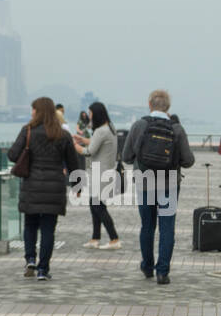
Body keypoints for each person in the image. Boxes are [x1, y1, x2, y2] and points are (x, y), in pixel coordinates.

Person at [122, 89, 195, 285]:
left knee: (147, 225)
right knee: (167, 227)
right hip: (169, 184)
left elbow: (126, 157)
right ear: (168, 107)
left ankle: (147, 266)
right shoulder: (177, 129)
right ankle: (162, 272)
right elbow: (188, 160)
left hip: (144, 183)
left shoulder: (139, 125)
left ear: (149, 104)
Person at [7, 97, 79, 281]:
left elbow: (13, 155)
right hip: (54, 187)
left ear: (38, 111)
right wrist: (77, 186)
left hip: (32, 185)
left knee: (30, 225)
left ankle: (30, 258)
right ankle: (43, 269)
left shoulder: (28, 130)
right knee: (48, 229)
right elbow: (73, 163)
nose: (31, 112)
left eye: (33, 109)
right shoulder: (63, 135)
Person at [72, 101, 121, 249]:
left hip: (99, 173)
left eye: (91, 113)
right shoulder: (110, 128)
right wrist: (84, 140)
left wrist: (74, 145)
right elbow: (97, 144)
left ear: (97, 114)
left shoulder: (100, 131)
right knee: (95, 205)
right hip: (106, 172)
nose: (89, 116)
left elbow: (89, 151)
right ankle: (95, 238)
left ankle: (114, 238)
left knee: (98, 207)